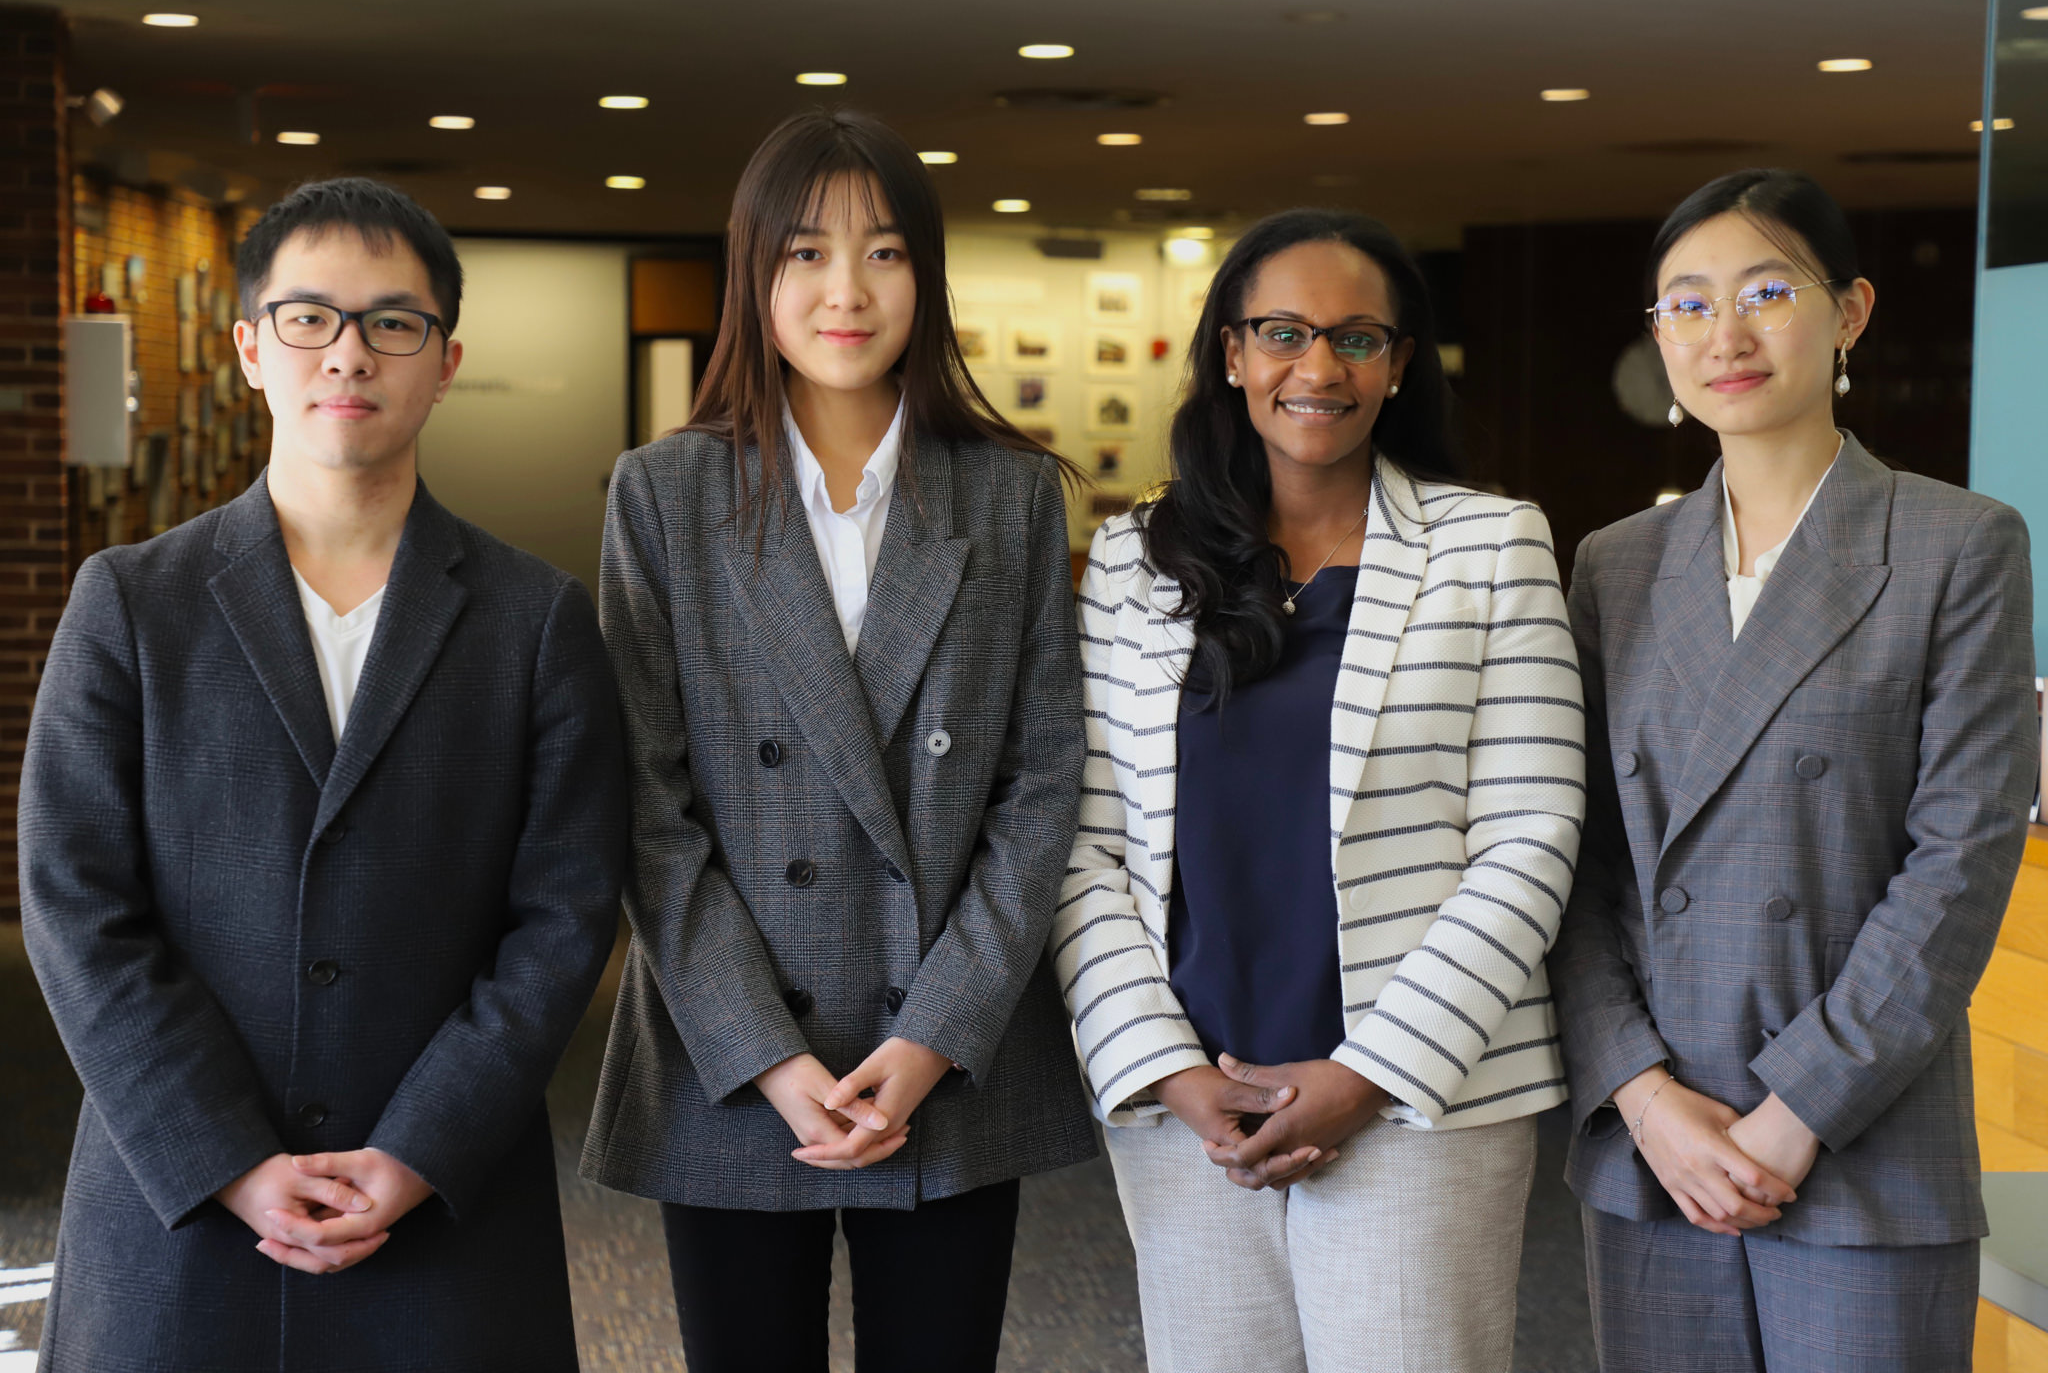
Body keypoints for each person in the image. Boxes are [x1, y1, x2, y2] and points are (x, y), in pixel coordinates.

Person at [18, 177, 628, 1371]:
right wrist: (227, 1160)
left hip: (443, 1205)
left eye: (392, 323)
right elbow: (76, 907)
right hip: (180, 1211)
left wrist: (418, 1148)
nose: (348, 353)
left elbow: (562, 919)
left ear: (444, 360)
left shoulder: (534, 620)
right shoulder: (132, 604)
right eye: (310, 318)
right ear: (251, 347)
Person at [578, 110, 1097, 1373]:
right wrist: (763, 1051)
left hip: (944, 1048)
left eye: (884, 254)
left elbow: (1041, 789)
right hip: (734, 1048)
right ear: (753, 280)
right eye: (804, 253)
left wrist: (931, 1035)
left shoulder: (1009, 494)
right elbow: (644, 801)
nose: (845, 291)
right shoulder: (665, 493)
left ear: (927, 276)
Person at [1051, 208, 1586, 1373]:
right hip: (1191, 1092)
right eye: (1282, 332)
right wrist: (1164, 1068)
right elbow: (1086, 849)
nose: (1317, 366)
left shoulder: (1490, 545)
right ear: (1231, 354)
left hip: (1416, 1095)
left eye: (1355, 338)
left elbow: (1530, 841)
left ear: (1398, 365)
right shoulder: (1138, 562)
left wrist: (1364, 1075)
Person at [1551, 168, 2037, 1372]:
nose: (1724, 332)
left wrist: (1792, 1113)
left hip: (1858, 1146)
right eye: (1684, 303)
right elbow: (1573, 861)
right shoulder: (1612, 565)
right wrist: (1645, 1100)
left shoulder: (1953, 543)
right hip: (1654, 1150)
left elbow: (1956, 865)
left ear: (1851, 312)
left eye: (1766, 290)